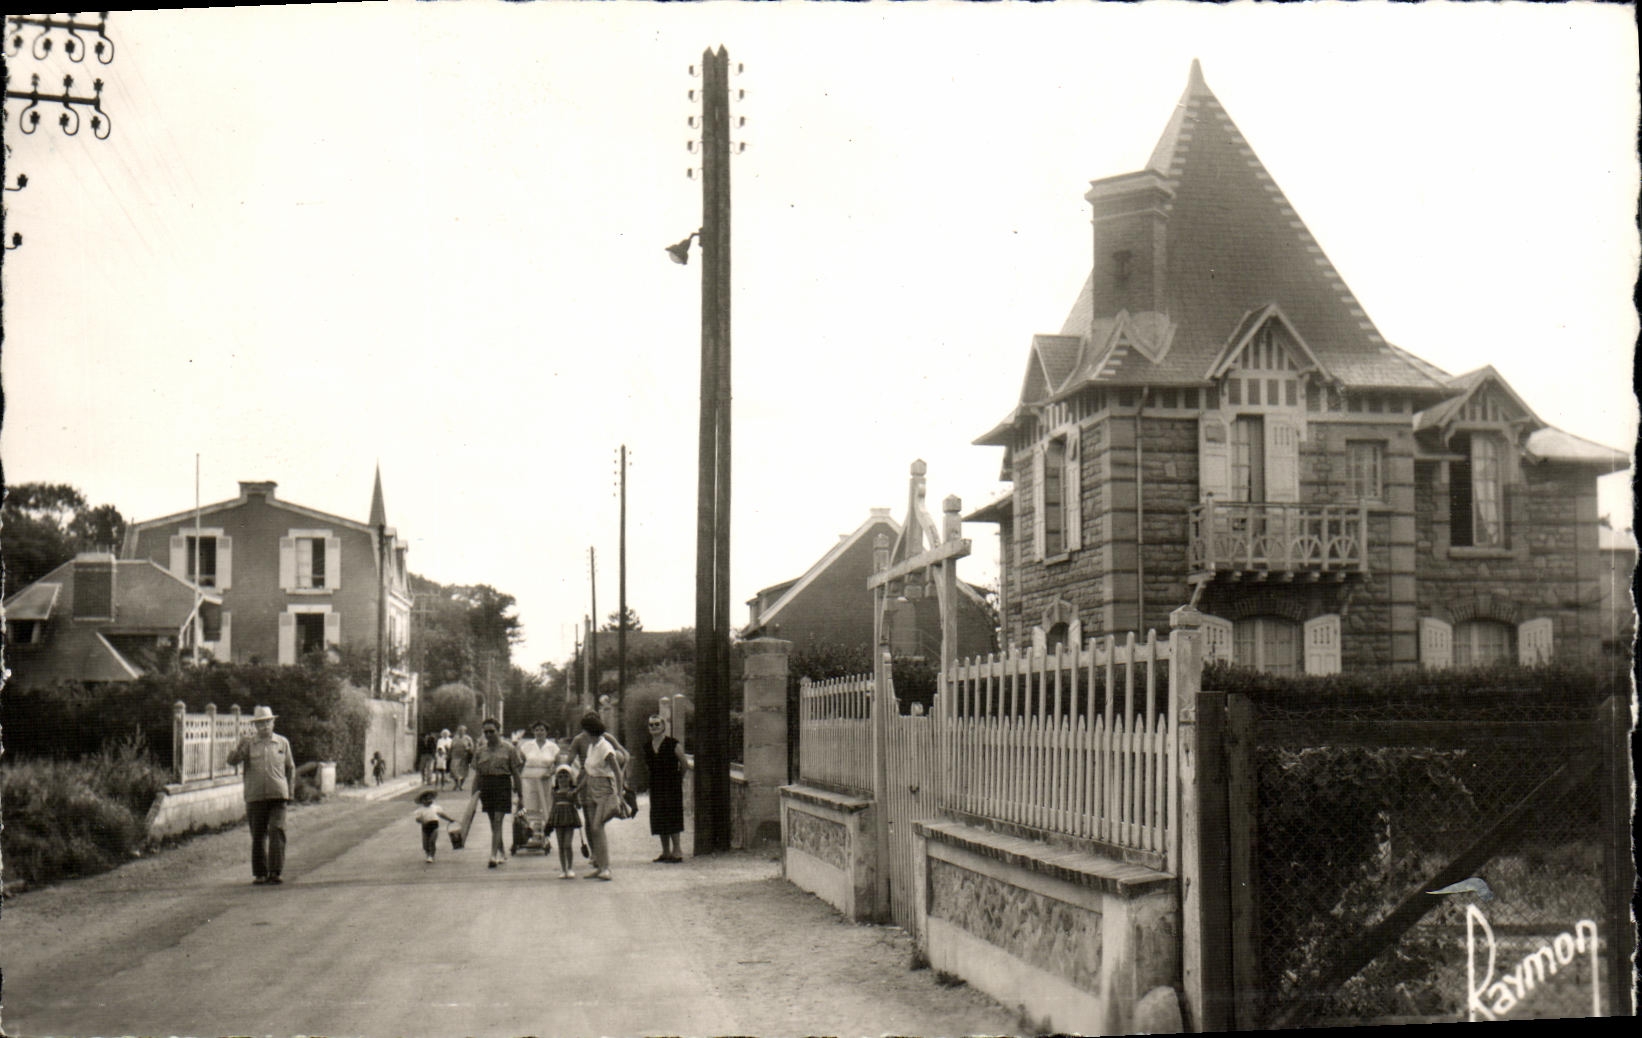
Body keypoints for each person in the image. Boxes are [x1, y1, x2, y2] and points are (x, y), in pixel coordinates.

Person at [225, 705, 295, 886]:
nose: (264, 726)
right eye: (260, 724)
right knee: (258, 834)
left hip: (278, 794)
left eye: (267, 722)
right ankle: (260, 873)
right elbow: (232, 761)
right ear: (255, 726)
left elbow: (290, 768)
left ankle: (275, 872)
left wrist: (291, 792)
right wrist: (239, 748)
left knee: (276, 830)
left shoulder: (282, 743)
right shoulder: (249, 744)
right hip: (255, 795)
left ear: (273, 723)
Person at [571, 711, 631, 881]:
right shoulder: (591, 746)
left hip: (604, 788)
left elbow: (618, 773)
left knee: (597, 827)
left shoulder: (605, 747)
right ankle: (599, 866)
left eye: (585, 730)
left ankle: (606, 868)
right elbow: (588, 771)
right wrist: (577, 789)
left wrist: (619, 795)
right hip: (590, 787)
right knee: (593, 828)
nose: (583, 733)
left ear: (590, 730)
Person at [467, 717, 524, 868]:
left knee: (498, 820)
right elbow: (477, 775)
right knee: (493, 822)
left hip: (502, 784)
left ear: (499, 731)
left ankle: (493, 855)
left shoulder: (509, 749)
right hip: (487, 786)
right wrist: (473, 797)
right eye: (486, 732)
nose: (489, 735)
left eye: (492, 731)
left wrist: (520, 795)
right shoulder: (480, 751)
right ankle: (501, 851)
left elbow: (516, 773)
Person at [640, 714, 693, 863]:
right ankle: (665, 852)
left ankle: (677, 851)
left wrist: (677, 779)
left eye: (657, 724)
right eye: (651, 725)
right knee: (659, 816)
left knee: (673, 815)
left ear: (663, 726)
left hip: (671, 785)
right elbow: (648, 767)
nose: (654, 727)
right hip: (656, 785)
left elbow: (684, 764)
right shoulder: (647, 746)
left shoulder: (673, 744)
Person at [546, 751, 582, 879]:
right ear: (556, 779)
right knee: (560, 845)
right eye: (560, 776)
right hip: (558, 818)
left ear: (570, 778)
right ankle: (563, 869)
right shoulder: (554, 792)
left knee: (567, 844)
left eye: (565, 776)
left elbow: (578, 805)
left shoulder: (572, 791)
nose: (562, 779)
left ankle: (570, 867)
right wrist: (549, 822)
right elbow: (552, 806)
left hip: (570, 818)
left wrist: (575, 797)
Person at [412, 788, 456, 864]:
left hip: (434, 826)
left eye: (430, 799)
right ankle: (428, 853)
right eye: (426, 799)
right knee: (425, 844)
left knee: (432, 841)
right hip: (425, 826)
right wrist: (422, 821)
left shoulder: (435, 808)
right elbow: (417, 819)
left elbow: (442, 815)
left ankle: (431, 856)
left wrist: (449, 819)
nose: (429, 801)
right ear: (422, 801)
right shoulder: (420, 810)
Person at [448, 724, 475, 792]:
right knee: (453, 770)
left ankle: (460, 785)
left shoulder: (468, 738)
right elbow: (451, 747)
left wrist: (468, 748)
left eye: (462, 730)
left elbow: (472, 747)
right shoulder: (455, 738)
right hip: (455, 756)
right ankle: (457, 783)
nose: (460, 732)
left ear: (465, 731)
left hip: (464, 757)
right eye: (459, 730)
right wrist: (449, 754)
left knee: (463, 772)